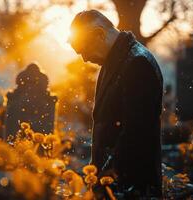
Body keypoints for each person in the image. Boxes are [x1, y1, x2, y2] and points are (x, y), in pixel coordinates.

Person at [68, 10, 164, 197]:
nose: (85, 59)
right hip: (113, 183)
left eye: (84, 50)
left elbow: (134, 134)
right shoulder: (115, 60)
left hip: (130, 185)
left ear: (99, 34)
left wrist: (106, 176)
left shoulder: (137, 63)